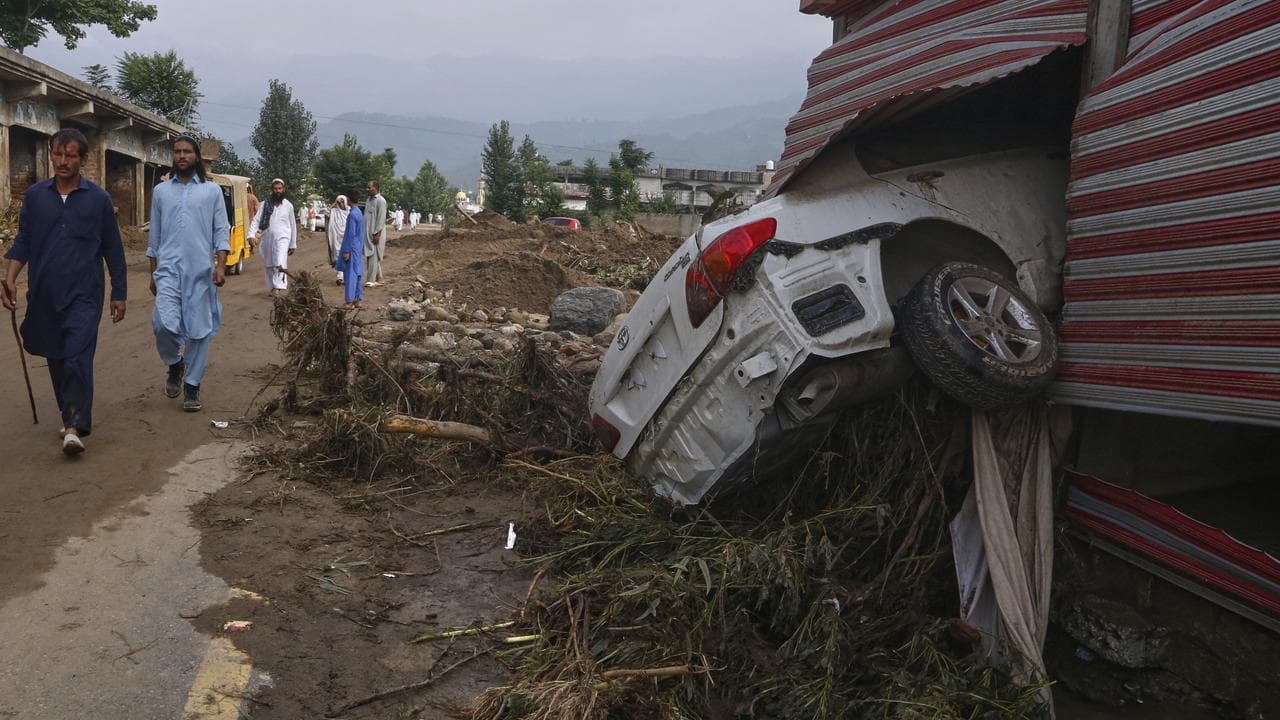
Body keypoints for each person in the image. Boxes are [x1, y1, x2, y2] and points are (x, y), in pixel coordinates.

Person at [1, 128, 127, 456]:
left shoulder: (98, 200)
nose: (62, 161)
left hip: (85, 295)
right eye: (58, 154)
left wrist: (119, 292)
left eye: (70, 155)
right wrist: (10, 277)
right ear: (51, 155)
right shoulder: (35, 197)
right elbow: (24, 240)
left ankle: (72, 427)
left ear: (83, 160)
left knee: (75, 356)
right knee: (57, 356)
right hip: (44, 293)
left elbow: (113, 250)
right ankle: (73, 414)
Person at [147, 134, 230, 413]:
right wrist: (153, 274)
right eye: (177, 152)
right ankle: (174, 363)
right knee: (161, 323)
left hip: (201, 271)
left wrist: (220, 265)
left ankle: (192, 385)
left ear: (197, 157)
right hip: (168, 270)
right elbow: (154, 237)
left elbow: (221, 230)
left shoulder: (211, 191)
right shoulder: (161, 192)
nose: (181, 156)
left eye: (187, 152)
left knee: (199, 331)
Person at [249, 178, 298, 294]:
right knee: (269, 263)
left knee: (280, 260)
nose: (278, 191)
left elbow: (293, 225)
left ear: (283, 189)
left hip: (283, 238)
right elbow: (256, 220)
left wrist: (293, 244)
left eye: (280, 188)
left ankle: (279, 286)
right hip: (267, 238)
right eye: (275, 189)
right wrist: (251, 235)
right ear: (272, 190)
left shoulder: (288, 206)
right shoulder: (265, 204)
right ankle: (272, 286)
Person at [335, 196, 366, 308]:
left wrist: (347, 250)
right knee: (358, 274)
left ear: (348, 200)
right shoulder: (359, 213)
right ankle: (358, 300)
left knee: (350, 275)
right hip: (358, 247)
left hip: (352, 248)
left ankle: (349, 301)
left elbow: (350, 234)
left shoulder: (352, 215)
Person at [364, 180, 387, 287]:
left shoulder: (381, 201)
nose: (367, 189)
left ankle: (371, 280)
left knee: (373, 256)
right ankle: (380, 278)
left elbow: (381, 219)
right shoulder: (368, 200)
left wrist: (377, 234)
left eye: (369, 188)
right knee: (371, 255)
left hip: (376, 234)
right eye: (367, 187)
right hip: (368, 233)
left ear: (376, 188)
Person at [326, 195, 351, 284]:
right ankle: (340, 277)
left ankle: (346, 276)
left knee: (347, 257)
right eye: (338, 202)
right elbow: (326, 212)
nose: (340, 204)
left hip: (347, 238)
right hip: (336, 238)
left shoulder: (350, 211)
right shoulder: (334, 211)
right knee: (337, 257)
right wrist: (333, 204)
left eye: (342, 202)